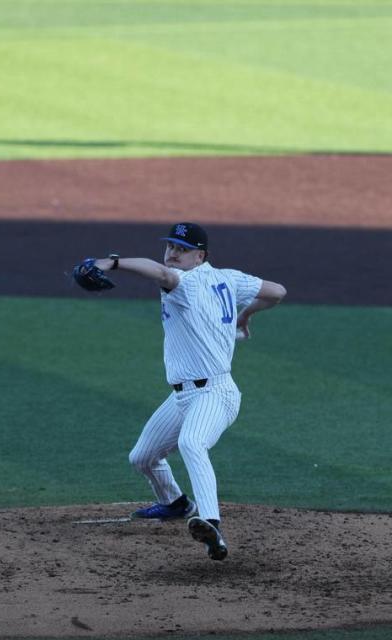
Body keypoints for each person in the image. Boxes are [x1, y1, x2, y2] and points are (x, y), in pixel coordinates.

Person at [86, 222, 286, 561]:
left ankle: (211, 523)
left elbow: (161, 275)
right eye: (170, 246)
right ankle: (175, 503)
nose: (173, 253)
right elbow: (277, 291)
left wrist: (112, 262)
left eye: (181, 249)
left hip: (215, 394)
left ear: (200, 255)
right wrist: (246, 314)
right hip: (183, 397)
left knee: (192, 443)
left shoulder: (188, 283)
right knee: (142, 458)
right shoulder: (228, 277)